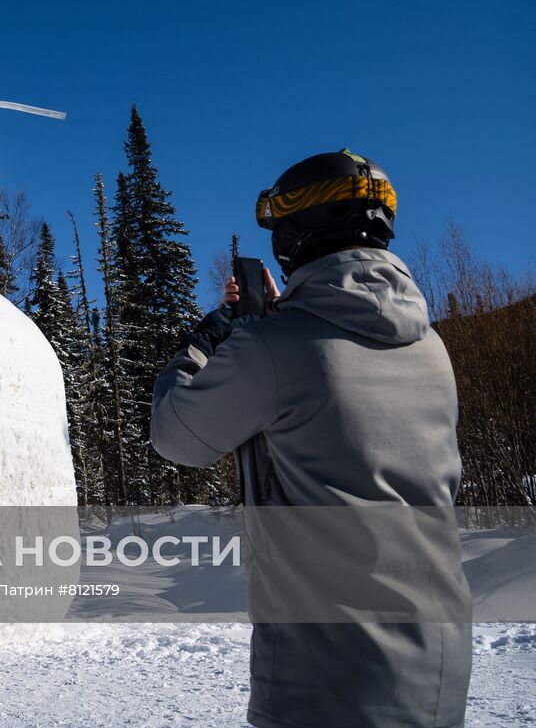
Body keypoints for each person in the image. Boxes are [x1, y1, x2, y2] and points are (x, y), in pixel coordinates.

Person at [150, 149, 470, 728]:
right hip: (439, 671)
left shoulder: (274, 347)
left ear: (298, 232)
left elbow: (176, 434)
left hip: (325, 679)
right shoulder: (433, 348)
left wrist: (212, 335)